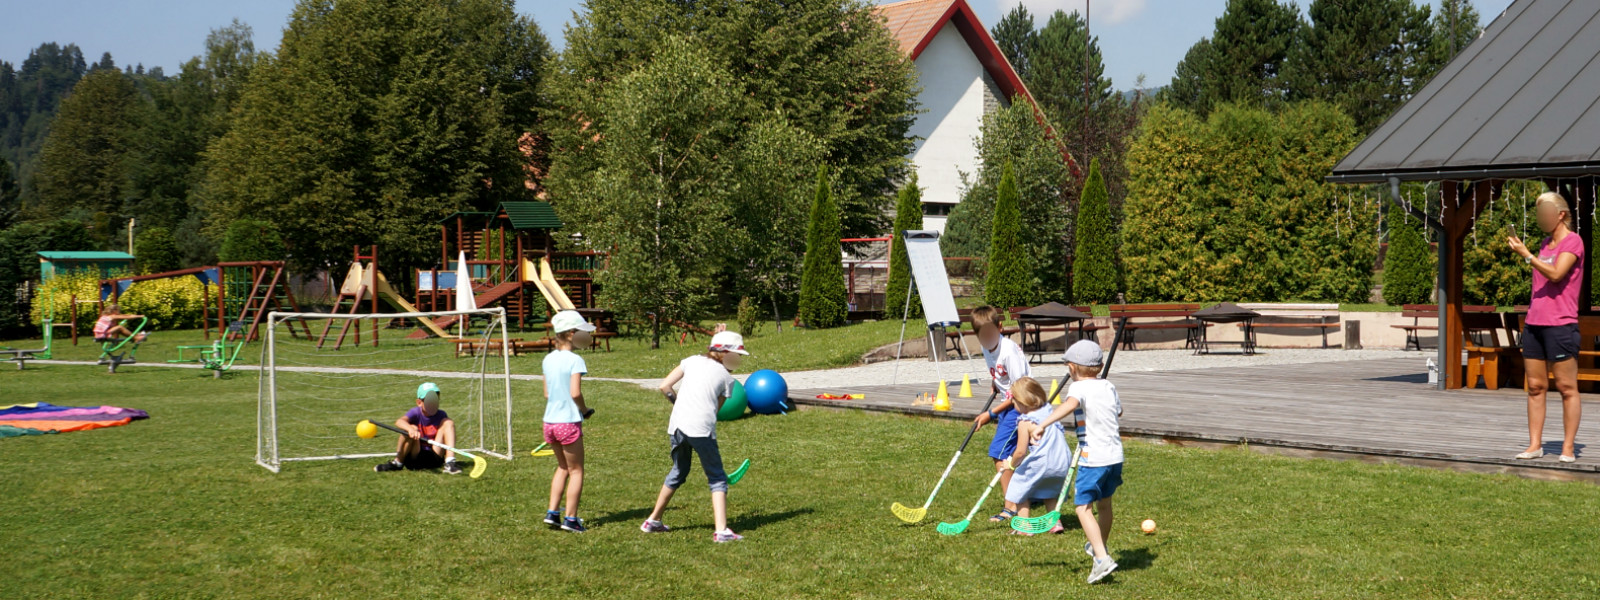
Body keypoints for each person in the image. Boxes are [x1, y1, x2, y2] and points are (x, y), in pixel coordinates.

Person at [642, 326, 746, 543]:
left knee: (679, 470)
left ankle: (653, 520)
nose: (738, 361)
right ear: (727, 354)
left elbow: (664, 386)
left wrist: (679, 403)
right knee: (717, 478)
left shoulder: (690, 360)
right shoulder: (727, 379)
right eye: (737, 356)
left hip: (677, 425)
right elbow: (714, 412)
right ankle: (722, 531)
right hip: (701, 429)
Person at [1033, 340, 1122, 583]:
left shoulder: (1077, 389)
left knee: (1082, 508)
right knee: (1104, 506)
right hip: (1115, 457)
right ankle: (1098, 548)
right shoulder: (1109, 386)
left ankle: (1102, 559)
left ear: (1072, 368)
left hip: (1093, 458)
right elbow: (1119, 412)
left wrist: (1042, 424)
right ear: (1100, 366)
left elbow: (1070, 405)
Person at [1508, 191, 1584, 463]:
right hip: (1534, 325)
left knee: (1566, 387)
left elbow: (1555, 274)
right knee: (1536, 387)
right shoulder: (1545, 244)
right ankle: (1535, 445)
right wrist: (1532, 253)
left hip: (1561, 325)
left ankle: (1567, 448)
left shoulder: (1573, 242)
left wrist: (1526, 254)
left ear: (1560, 215)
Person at [968, 305, 1031, 523]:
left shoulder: (1009, 352)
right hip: (1009, 403)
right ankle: (1023, 494)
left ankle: (1011, 505)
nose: (986, 339)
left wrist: (991, 414)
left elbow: (1020, 390)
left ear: (1000, 327)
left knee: (999, 452)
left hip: (1020, 405)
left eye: (989, 334)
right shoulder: (988, 348)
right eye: (981, 336)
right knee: (1013, 454)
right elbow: (1003, 377)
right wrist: (997, 384)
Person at [542, 310, 596, 533]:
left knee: (562, 467)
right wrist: (584, 410)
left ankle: (552, 513)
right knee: (576, 471)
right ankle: (571, 519)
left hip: (549, 422)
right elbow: (575, 393)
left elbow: (547, 393)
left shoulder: (548, 359)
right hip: (568, 422)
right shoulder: (575, 359)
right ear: (572, 333)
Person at [1000, 377, 1072, 536]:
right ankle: (1054, 523)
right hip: (1063, 461)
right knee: (1050, 490)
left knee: (1019, 486)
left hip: (1044, 461)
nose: (1012, 404)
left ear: (1022, 402)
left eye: (1014, 401)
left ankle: (1024, 527)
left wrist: (1010, 464)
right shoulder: (1049, 411)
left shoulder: (1025, 421)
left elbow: (1020, 452)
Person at [374, 382, 461, 475]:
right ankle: (398, 462)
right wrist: (411, 429)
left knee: (448, 422)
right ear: (419, 402)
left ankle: (450, 462)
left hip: (435, 456)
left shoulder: (441, 414)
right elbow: (399, 421)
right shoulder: (415, 412)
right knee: (411, 427)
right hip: (415, 456)